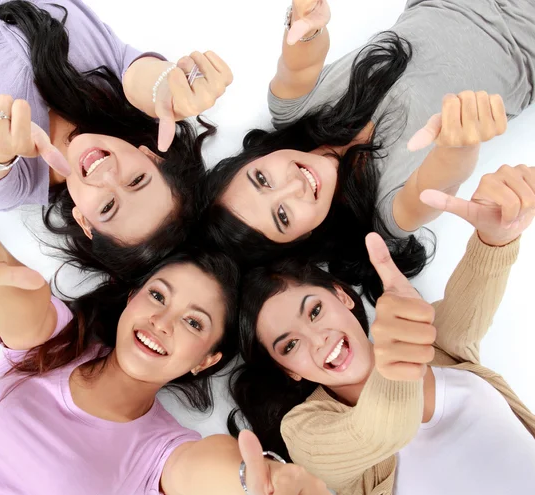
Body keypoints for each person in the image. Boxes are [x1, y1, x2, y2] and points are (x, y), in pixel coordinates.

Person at [0, 201, 340, 495]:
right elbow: (10, 285)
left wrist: (262, 479)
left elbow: (210, 468)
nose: (162, 321)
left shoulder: (160, 450)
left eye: (194, 322)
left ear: (206, 360)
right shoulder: (53, 342)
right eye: (158, 296)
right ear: (132, 299)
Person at [228, 163, 535, 495]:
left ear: (342, 296)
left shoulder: (433, 342)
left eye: (315, 311)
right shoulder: (304, 429)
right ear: (290, 370)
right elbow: (383, 429)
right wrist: (396, 356)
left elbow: (474, 294)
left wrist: (497, 235)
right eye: (290, 345)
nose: (319, 339)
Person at [201, 0, 534, 303]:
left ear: (255, 159)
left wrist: (305, 22)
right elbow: (443, 175)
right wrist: (460, 139)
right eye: (283, 216)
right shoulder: (388, 214)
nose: (293, 186)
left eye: (261, 178)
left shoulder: (293, 111)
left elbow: (301, 58)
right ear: (305, 238)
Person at [0, 0, 232, 280]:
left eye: (107, 207)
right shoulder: (118, 85)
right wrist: (168, 89)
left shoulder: (19, 182)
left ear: (84, 222)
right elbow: (146, 81)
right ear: (151, 156)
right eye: (137, 180)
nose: (107, 177)